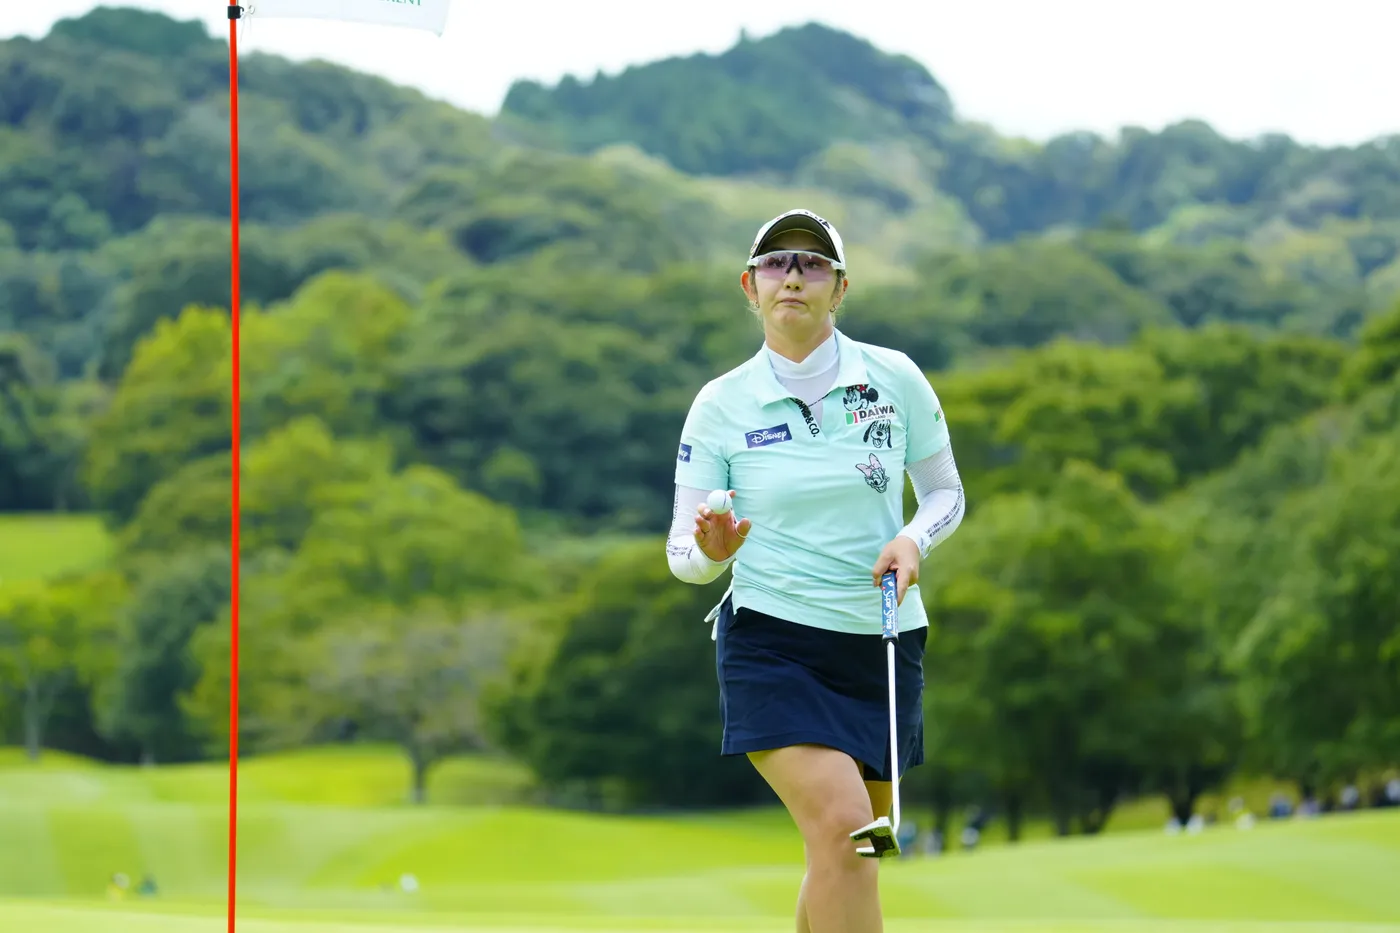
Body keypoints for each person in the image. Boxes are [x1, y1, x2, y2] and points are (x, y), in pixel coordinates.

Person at [666, 209, 966, 933]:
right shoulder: (720, 404)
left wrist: (914, 539)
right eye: (776, 263)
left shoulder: (894, 377)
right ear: (750, 287)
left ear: (841, 288)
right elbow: (683, 555)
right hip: (774, 642)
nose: (793, 276)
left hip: (882, 642)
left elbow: (945, 494)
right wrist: (713, 551)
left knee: (849, 850)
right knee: (846, 830)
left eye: (812, 263)